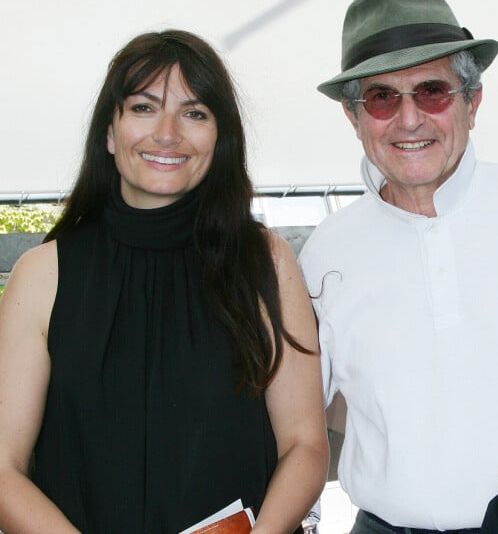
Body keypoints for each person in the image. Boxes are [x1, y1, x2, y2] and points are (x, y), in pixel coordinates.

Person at [0, 30, 329, 533]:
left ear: (220, 137)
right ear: (109, 132)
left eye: (195, 113)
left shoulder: (267, 262)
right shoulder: (42, 275)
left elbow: (305, 445)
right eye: (144, 108)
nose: (168, 133)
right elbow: (4, 470)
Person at [299, 0, 498, 533]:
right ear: (354, 118)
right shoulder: (324, 251)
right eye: (381, 97)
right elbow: (302, 419)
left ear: (472, 103)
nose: (408, 120)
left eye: (432, 91)